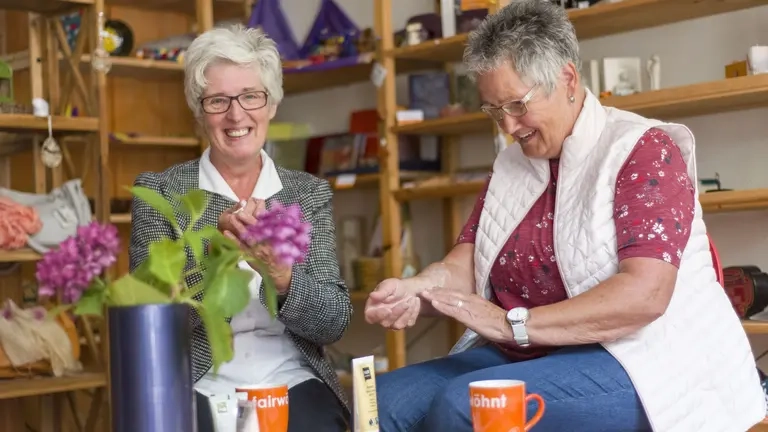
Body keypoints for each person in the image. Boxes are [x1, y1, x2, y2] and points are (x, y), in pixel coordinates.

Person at [364, 1, 766, 431]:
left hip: (642, 357)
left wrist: (509, 323)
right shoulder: (511, 165)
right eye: (494, 110)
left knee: (466, 405)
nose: (507, 126)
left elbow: (645, 294)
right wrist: (419, 288)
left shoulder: (642, 150)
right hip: (536, 353)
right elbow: (469, 258)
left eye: (517, 105)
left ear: (567, 79)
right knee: (383, 401)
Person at [128, 25, 350, 432]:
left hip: (291, 378)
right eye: (218, 100)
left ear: (272, 105)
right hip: (197, 380)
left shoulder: (307, 194)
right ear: (199, 110)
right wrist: (216, 260)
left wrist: (283, 279)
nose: (236, 115)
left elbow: (333, 322)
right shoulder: (161, 193)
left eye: (251, 96)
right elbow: (149, 322)